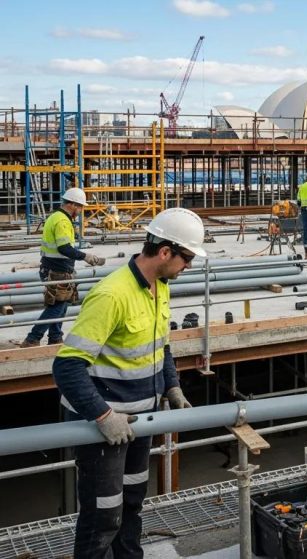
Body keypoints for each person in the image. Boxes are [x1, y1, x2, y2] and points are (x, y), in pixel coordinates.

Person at [53, 207, 205, 558]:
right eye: (187, 258)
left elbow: (160, 345)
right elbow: (67, 367)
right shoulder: (112, 295)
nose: (189, 267)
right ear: (165, 252)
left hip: (140, 419)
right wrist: (104, 417)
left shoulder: (160, 286)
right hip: (107, 423)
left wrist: (172, 386)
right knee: (103, 515)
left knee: (133, 501)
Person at [20, 187, 106, 347]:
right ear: (73, 205)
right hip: (56, 271)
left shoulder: (56, 217)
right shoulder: (62, 221)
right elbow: (64, 248)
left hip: (55, 269)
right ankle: (32, 338)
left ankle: (55, 337)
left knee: (60, 305)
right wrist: (86, 256)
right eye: (80, 207)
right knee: (57, 307)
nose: (80, 211)